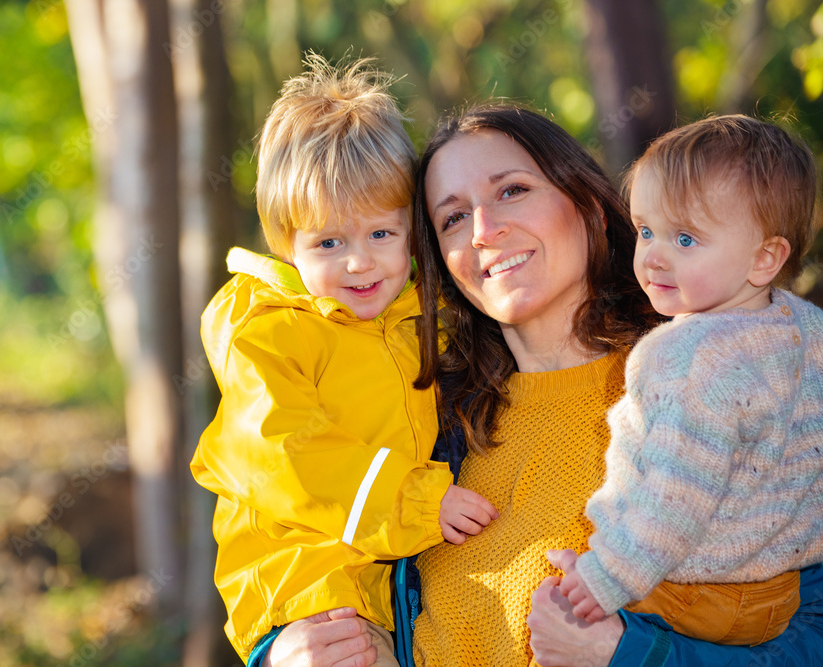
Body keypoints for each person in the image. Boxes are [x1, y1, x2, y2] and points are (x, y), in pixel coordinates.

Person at [256, 104, 823, 667]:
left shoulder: (727, 381)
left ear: (592, 209)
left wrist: (626, 654)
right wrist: (281, 649)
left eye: (512, 191)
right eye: (452, 218)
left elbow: (810, 638)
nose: (483, 231)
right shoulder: (428, 425)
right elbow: (282, 534)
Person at [189, 54, 496, 666]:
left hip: (389, 588)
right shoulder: (268, 331)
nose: (359, 262)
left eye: (380, 235)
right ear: (286, 242)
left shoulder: (420, 317)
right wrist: (415, 501)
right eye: (329, 242)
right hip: (304, 588)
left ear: (411, 230)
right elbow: (285, 453)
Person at [552, 115, 823, 646]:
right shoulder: (807, 328)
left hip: (698, 592)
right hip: (781, 593)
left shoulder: (688, 356)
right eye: (647, 230)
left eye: (685, 238)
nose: (653, 255)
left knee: (555, 614)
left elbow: (676, 499)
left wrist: (605, 577)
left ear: (765, 257)